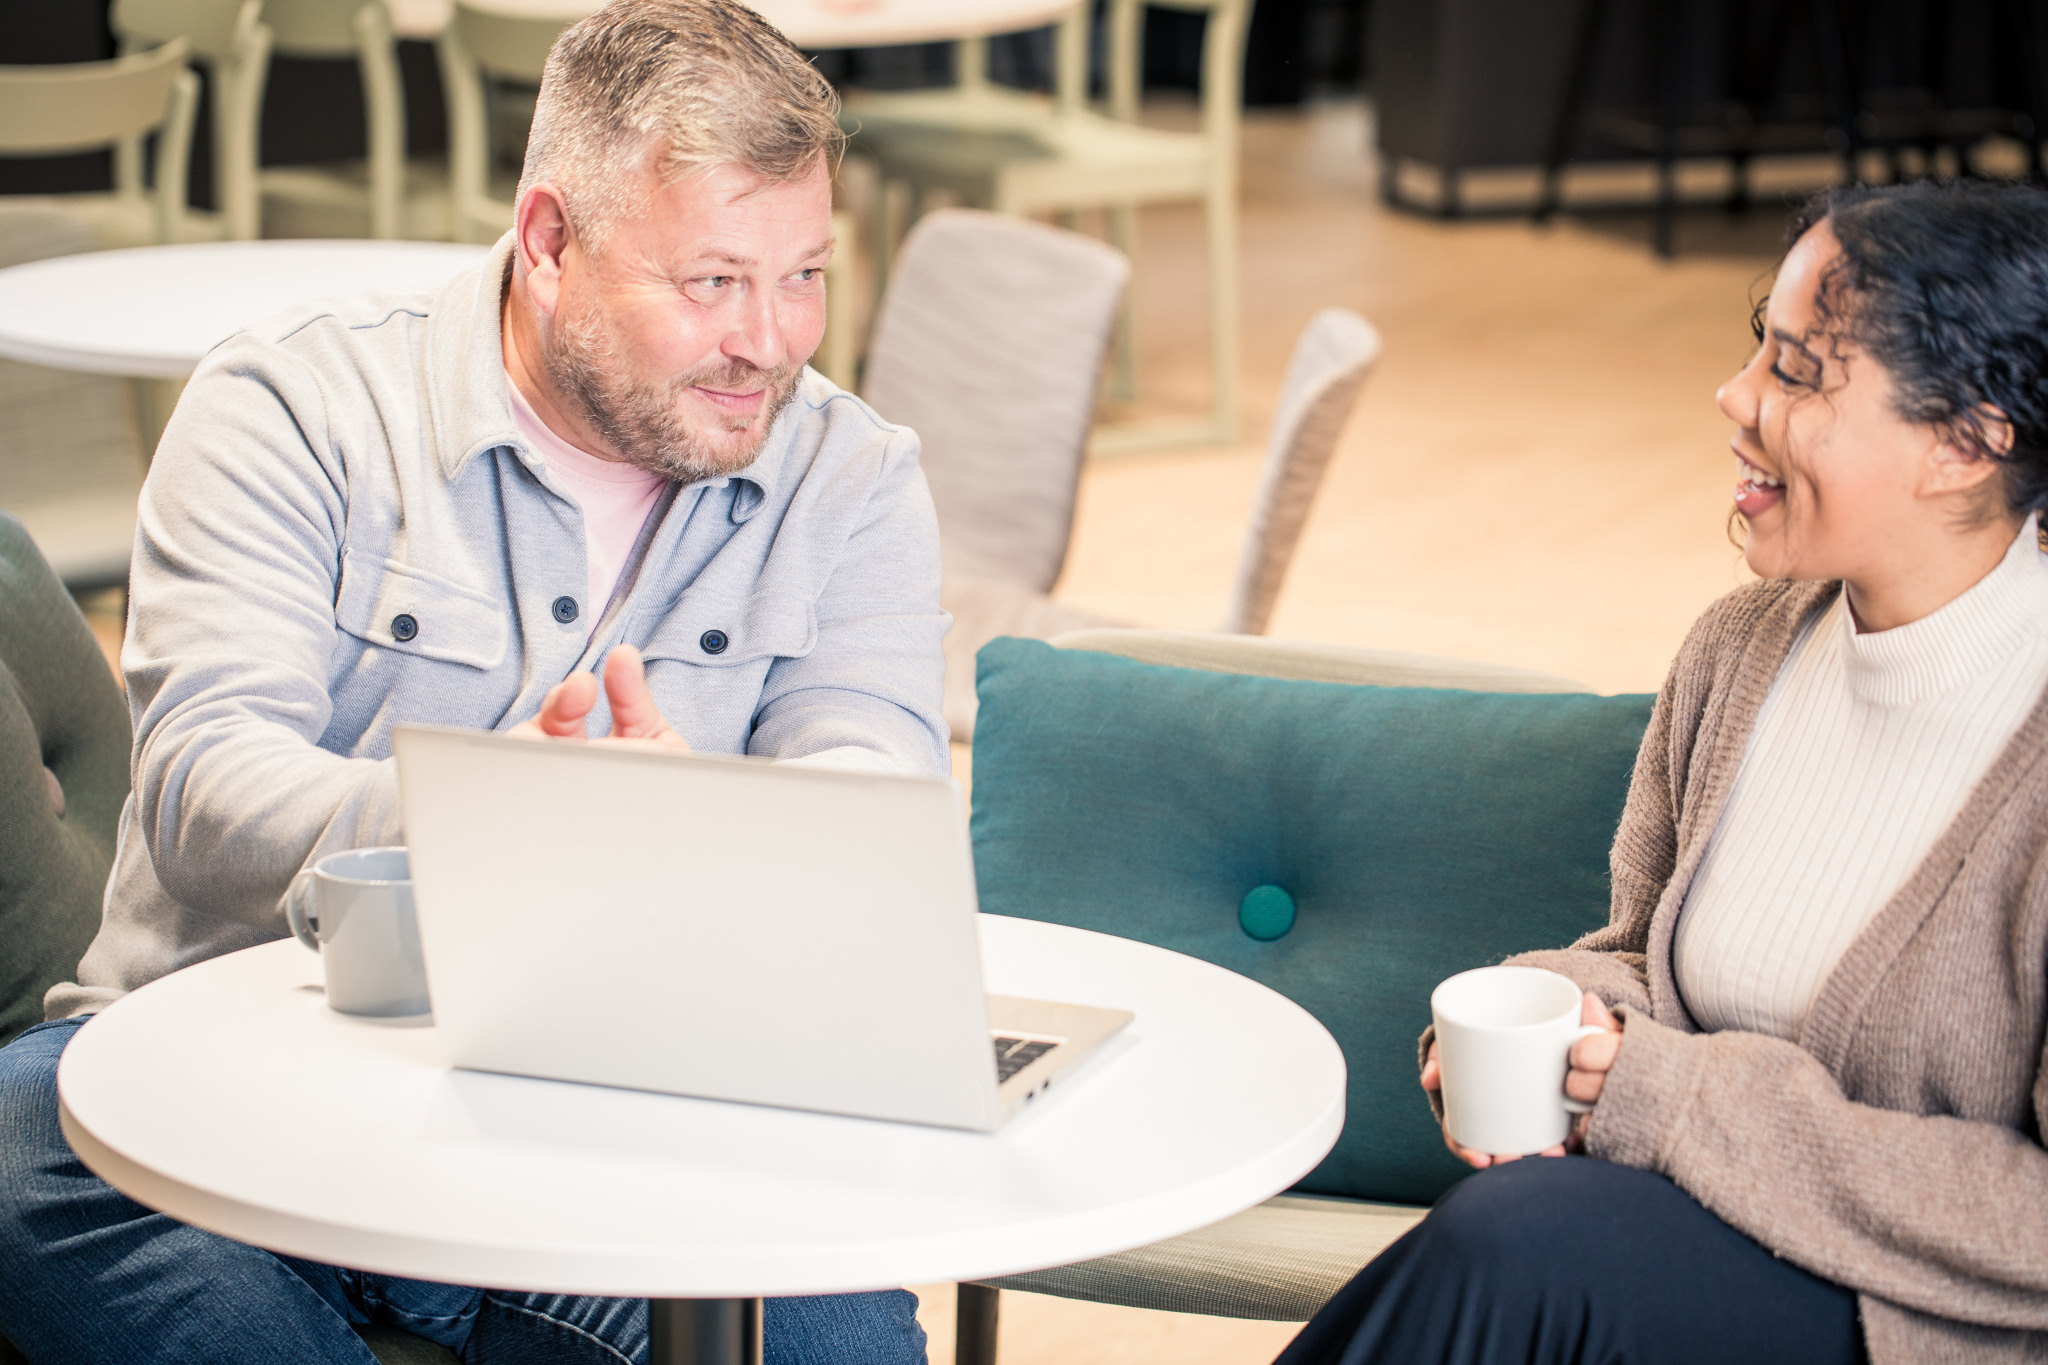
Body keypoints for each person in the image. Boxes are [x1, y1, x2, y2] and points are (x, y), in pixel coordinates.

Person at [0, 2, 943, 1361]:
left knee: (833, 1335)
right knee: (27, 1143)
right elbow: (207, 784)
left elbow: (874, 796)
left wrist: (721, 837)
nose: (775, 342)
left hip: (613, 1108)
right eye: (714, 282)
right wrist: (507, 822)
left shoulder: (849, 479)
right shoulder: (294, 405)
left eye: (805, 276)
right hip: (238, 1074)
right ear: (553, 241)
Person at [1280, 180, 2048, 1365]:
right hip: (1679, 1244)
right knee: (1526, 1239)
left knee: (1522, 1249)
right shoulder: (1744, 647)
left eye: (1797, 373)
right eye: (1759, 349)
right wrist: (1562, 1016)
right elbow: (1648, 962)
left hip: (1927, 1329)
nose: (1732, 398)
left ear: (1964, 444)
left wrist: (1668, 1097)